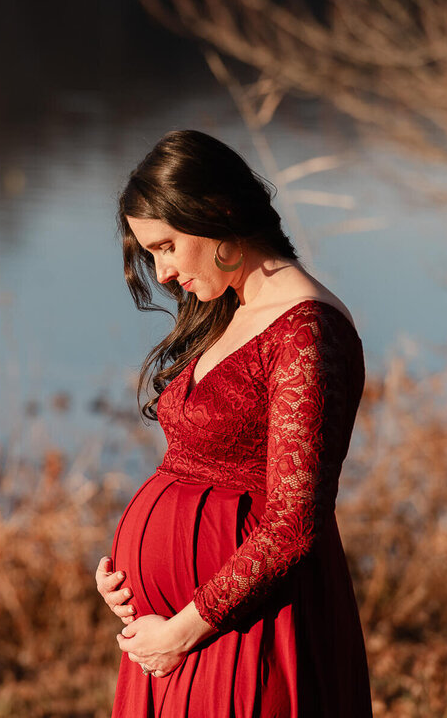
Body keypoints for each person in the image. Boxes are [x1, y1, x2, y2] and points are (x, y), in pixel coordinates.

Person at [95, 130, 372, 716]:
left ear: (218, 211)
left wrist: (183, 630)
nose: (162, 273)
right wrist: (126, 576)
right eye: (150, 253)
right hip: (180, 635)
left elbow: (293, 524)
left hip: (248, 631)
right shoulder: (233, 311)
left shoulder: (306, 332)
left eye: (167, 246)